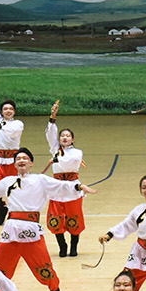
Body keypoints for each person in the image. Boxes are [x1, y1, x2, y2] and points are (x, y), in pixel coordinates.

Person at [0, 146, 92, 291]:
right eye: (18, 158)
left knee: (45, 268)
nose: (21, 161)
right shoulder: (8, 181)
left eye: (25, 158)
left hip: (31, 233)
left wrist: (78, 187)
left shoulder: (40, 180)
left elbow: (60, 186)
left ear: (31, 162)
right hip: (11, 232)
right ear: (14, 163)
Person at [44, 102, 86, 259]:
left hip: (72, 187)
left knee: (74, 216)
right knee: (56, 217)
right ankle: (62, 245)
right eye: (62, 136)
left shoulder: (77, 152)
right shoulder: (55, 149)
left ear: (73, 139)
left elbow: (70, 162)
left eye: (68, 136)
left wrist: (56, 160)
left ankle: (74, 245)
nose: (65, 137)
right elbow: (50, 135)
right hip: (57, 187)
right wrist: (52, 117)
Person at [0, 74, 25, 224]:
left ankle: (16, 214)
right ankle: (1, 209)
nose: (8, 111)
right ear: (2, 112)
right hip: (0, 161)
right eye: (5, 109)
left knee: (15, 190)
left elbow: (10, 130)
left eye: (11, 109)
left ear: (14, 112)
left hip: (13, 162)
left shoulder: (18, 124)